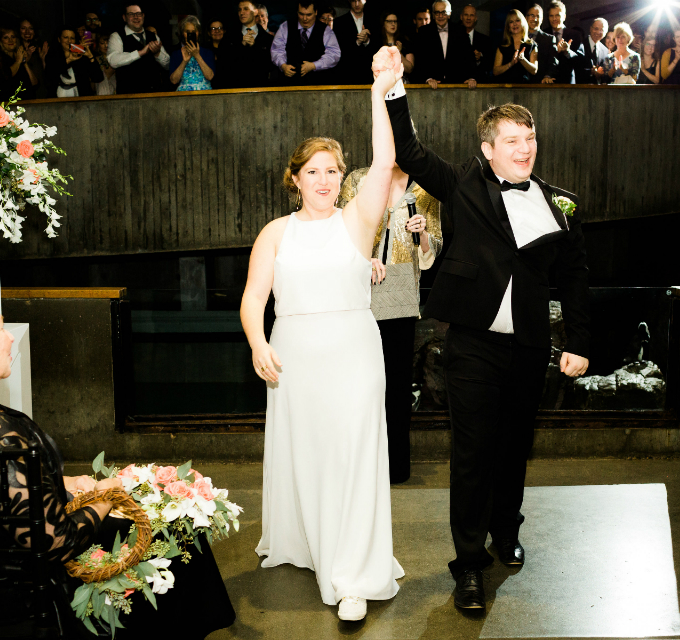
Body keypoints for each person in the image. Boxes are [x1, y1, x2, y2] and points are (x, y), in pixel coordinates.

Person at [378, 44, 591, 610]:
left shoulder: (559, 203)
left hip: (530, 347)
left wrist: (580, 344)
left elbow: (575, 277)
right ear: (488, 149)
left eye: (531, 139)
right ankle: (468, 565)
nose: (526, 149)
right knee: (472, 455)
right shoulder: (462, 184)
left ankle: (507, 531)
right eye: (514, 141)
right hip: (471, 345)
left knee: (515, 448)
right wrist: (395, 89)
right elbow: (411, 152)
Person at [0, 281, 236, 637]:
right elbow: (55, 541)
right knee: (178, 534)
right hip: (18, 599)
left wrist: (61, 483)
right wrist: (106, 493)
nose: (10, 337)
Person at [242, 48, 405, 623]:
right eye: (312, 170)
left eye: (332, 170)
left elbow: (385, 160)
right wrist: (260, 344)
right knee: (309, 455)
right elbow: (253, 300)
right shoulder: (275, 232)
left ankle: (354, 574)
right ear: (295, 179)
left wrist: (379, 92)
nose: (324, 179)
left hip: (354, 352)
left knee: (355, 455)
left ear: (343, 178)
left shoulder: (359, 220)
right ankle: (312, 542)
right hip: (294, 359)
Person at [338, 161, 442, 483]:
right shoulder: (356, 180)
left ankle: (395, 466)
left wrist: (423, 233)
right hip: (361, 290)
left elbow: (432, 252)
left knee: (397, 386)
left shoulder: (425, 187)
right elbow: (341, 233)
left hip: (401, 293)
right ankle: (359, 466)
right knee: (359, 382)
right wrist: (360, 259)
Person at [270, 0, 341, 86]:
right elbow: (277, 49)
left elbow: (334, 54)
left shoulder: (326, 30)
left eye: (308, 15)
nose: (305, 18)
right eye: (301, 14)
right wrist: (283, 65)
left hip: (318, 84)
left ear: (316, 12)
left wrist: (314, 65)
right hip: (290, 85)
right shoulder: (285, 27)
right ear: (297, 12)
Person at [107, 3, 171, 94]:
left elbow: (168, 65)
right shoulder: (117, 36)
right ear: (124, 18)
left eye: (138, 14)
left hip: (154, 94)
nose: (136, 17)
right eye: (131, 14)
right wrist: (140, 53)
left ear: (143, 16)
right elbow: (113, 61)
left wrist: (157, 54)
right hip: (128, 95)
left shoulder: (153, 36)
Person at [414, 1, 477, 89]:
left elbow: (469, 57)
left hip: (457, 85)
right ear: (433, 14)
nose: (440, 16)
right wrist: (427, 78)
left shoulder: (460, 31)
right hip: (431, 87)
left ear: (449, 14)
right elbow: (420, 59)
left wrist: (471, 78)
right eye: (437, 13)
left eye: (443, 12)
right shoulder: (424, 32)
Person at [45, 27, 104, 97]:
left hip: (81, 98)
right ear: (59, 39)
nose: (69, 41)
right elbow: (49, 78)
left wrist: (90, 56)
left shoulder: (81, 56)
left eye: (72, 38)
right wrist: (68, 60)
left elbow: (98, 78)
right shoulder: (52, 56)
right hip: (58, 99)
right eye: (66, 37)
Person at [227, 1, 273, 88]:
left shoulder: (268, 39)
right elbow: (225, 65)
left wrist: (255, 47)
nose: (241, 12)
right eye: (239, 10)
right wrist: (241, 46)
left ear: (255, 11)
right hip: (236, 90)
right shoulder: (229, 37)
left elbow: (270, 66)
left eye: (246, 9)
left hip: (261, 90)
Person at [0, 27, 39, 101]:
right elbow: (5, 77)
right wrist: (18, 62)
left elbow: (35, 84)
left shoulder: (18, 56)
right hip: (9, 104)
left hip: (28, 102)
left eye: (13, 37)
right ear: (0, 41)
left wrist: (24, 62)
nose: (10, 40)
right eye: (6, 37)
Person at [334, 0, 374, 85]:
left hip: (369, 75)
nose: (356, 4)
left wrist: (367, 41)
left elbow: (377, 48)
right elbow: (339, 51)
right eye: (353, 1)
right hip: (347, 75)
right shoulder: (339, 22)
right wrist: (357, 42)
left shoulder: (373, 21)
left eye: (359, 0)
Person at [169, 16, 215, 91]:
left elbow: (210, 76)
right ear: (182, 33)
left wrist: (197, 55)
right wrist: (184, 61)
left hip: (205, 94)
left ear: (198, 33)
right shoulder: (176, 54)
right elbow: (174, 80)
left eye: (194, 32)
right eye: (187, 32)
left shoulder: (207, 52)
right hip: (183, 95)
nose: (190, 34)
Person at [492, 10, 538, 84]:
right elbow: (495, 71)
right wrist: (510, 64)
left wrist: (523, 60)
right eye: (511, 22)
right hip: (505, 88)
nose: (514, 24)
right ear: (508, 27)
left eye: (517, 20)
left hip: (524, 88)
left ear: (523, 23)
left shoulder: (531, 45)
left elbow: (534, 70)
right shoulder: (502, 45)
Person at [547, 0, 584, 84]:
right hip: (548, 81)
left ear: (564, 16)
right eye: (551, 16)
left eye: (557, 15)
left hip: (567, 82)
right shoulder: (544, 34)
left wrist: (568, 52)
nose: (554, 19)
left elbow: (581, 61)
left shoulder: (575, 35)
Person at [372, 12, 415, 79]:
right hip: (383, 83)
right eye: (389, 21)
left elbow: (409, 69)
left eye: (395, 21)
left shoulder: (405, 42)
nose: (393, 24)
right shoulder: (377, 43)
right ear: (383, 23)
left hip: (402, 83)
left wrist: (398, 53)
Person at [460, 4, 494, 84]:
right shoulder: (453, 37)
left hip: (479, 85)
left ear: (476, 18)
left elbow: (489, 64)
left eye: (471, 15)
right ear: (461, 17)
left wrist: (480, 57)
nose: (468, 18)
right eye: (466, 15)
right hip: (457, 84)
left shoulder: (485, 40)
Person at [524, 4, 556, 84]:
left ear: (542, 20)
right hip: (520, 84)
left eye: (538, 16)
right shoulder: (519, 38)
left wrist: (548, 76)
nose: (535, 19)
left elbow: (553, 62)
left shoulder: (549, 39)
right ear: (526, 17)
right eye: (532, 15)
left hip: (540, 84)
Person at [18, 19, 48, 98]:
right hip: (24, 96)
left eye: (30, 28)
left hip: (41, 95)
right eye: (23, 28)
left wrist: (43, 60)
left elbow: (45, 76)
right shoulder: (16, 50)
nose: (27, 32)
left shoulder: (39, 49)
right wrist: (25, 59)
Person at [577, 18, 609, 84]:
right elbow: (576, 69)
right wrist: (591, 72)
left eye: (602, 30)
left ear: (605, 32)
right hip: (581, 87)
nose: (598, 32)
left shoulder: (605, 50)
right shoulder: (580, 45)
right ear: (590, 29)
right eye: (596, 29)